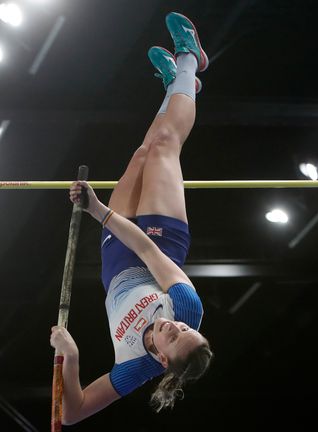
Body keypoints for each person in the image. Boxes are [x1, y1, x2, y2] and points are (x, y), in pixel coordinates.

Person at [49, 12, 213, 424]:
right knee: (163, 147)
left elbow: (74, 413)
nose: (175, 326)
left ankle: (178, 86)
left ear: (160, 357)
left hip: (115, 260)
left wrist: (72, 357)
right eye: (186, 329)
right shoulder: (185, 306)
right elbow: (145, 245)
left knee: (142, 153)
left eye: (172, 336)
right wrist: (97, 210)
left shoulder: (135, 367)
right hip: (158, 244)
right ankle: (191, 58)